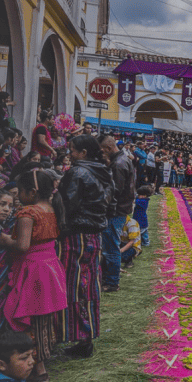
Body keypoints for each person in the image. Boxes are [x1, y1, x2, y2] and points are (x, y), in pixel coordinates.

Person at [0, 170, 68, 382]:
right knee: (42, 318)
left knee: (26, 318)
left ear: (31, 192)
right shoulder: (51, 208)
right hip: (50, 266)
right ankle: (40, 362)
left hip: (32, 270)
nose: (17, 196)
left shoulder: (28, 213)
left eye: (20, 191)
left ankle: (36, 368)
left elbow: (22, 245)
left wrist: (4, 240)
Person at [56, 135, 112, 359]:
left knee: (75, 285)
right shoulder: (103, 170)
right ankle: (86, 336)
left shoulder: (77, 172)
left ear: (83, 153)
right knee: (89, 286)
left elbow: (67, 205)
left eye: (72, 150)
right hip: (93, 234)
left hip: (76, 235)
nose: (69, 153)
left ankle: (79, 336)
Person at [100, 134, 135, 293]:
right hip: (121, 209)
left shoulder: (119, 164)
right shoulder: (121, 160)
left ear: (108, 148)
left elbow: (114, 192)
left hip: (116, 211)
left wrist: (107, 210)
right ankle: (109, 278)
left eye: (102, 150)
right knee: (110, 245)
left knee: (111, 247)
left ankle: (112, 282)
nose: (101, 154)